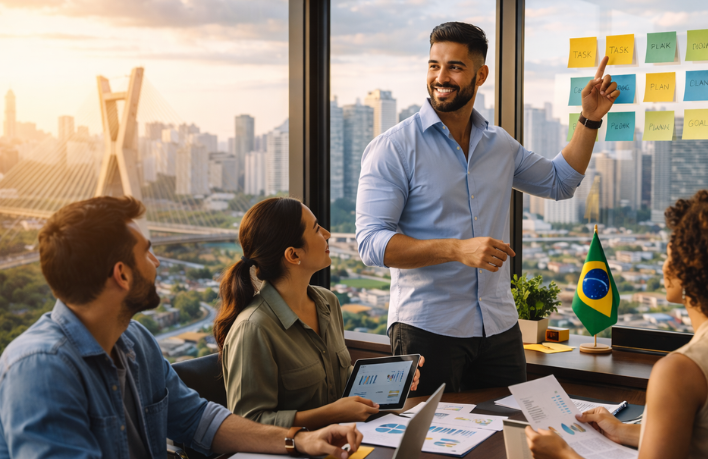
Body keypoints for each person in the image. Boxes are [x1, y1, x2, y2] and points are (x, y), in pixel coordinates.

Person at [355, 22, 620, 395]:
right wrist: (456, 249)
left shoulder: (500, 145)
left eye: (454, 67)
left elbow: (560, 182)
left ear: (481, 75)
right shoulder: (394, 148)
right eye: (434, 66)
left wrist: (590, 118)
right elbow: (371, 243)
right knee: (429, 432)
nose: (440, 77)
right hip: (427, 329)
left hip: (499, 329)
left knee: (510, 427)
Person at [0, 196, 363, 459]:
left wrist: (298, 441)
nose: (157, 262)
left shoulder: (137, 342)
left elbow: (199, 420)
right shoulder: (40, 368)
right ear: (122, 275)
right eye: (147, 252)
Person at [526, 190, 708, 459]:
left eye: (670, 255)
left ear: (691, 270)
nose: (665, 266)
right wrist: (622, 430)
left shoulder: (682, 370)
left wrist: (563, 454)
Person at [215, 197, 422, 429]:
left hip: (346, 439)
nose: (327, 234)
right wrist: (330, 414)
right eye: (316, 229)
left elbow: (337, 380)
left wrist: (390, 378)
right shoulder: (252, 329)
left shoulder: (328, 303)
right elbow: (248, 426)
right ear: (293, 255)